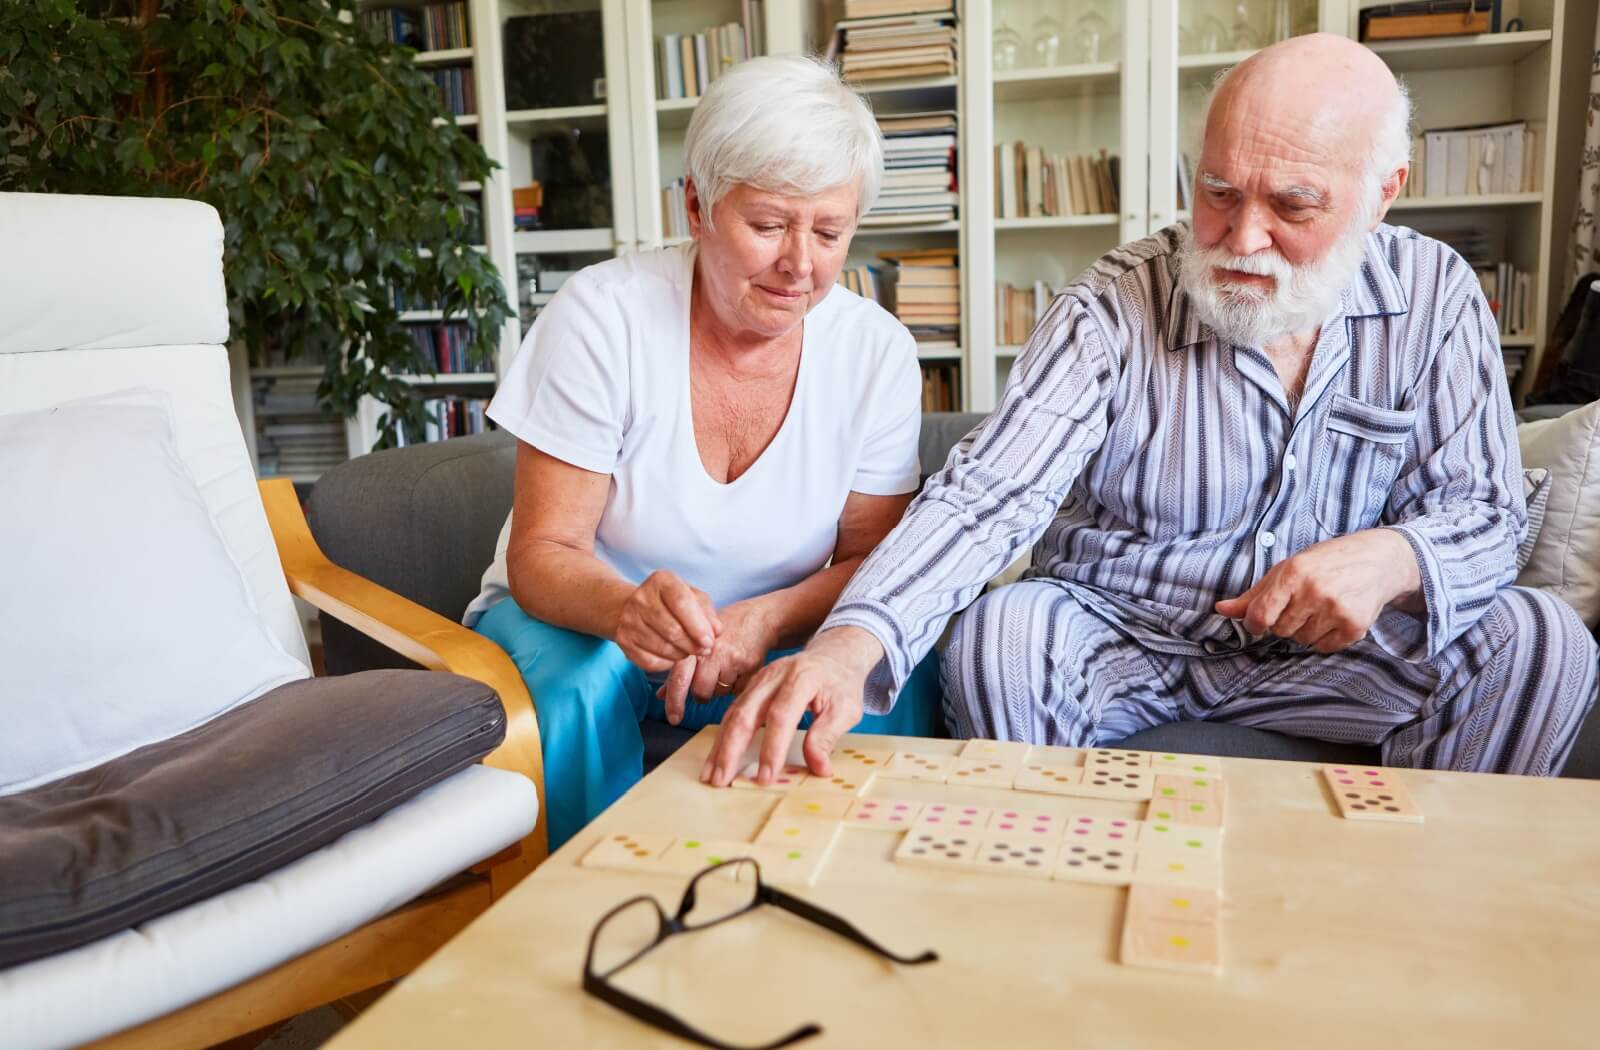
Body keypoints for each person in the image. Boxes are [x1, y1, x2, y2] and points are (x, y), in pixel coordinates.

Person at [703, 33, 1600, 786]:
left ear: (1383, 192)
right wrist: (850, 645)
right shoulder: (1112, 307)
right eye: (1217, 192)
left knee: (1543, 640)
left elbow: (1486, 514)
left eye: (1292, 205)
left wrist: (1396, 556)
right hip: (1128, 639)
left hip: (1345, 660)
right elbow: (984, 499)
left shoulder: (1437, 296)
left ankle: (1418, 914)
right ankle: (1055, 913)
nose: (1244, 240)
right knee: (1002, 634)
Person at [465, 55, 943, 850]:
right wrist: (626, 610)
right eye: (767, 226)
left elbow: (874, 560)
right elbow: (544, 551)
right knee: (581, 681)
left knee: (899, 663)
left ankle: (856, 895)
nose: (801, 264)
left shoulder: (876, 351)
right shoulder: (601, 317)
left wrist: (765, 621)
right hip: (584, 621)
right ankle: (583, 913)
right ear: (695, 204)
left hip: (777, 628)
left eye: (830, 232)